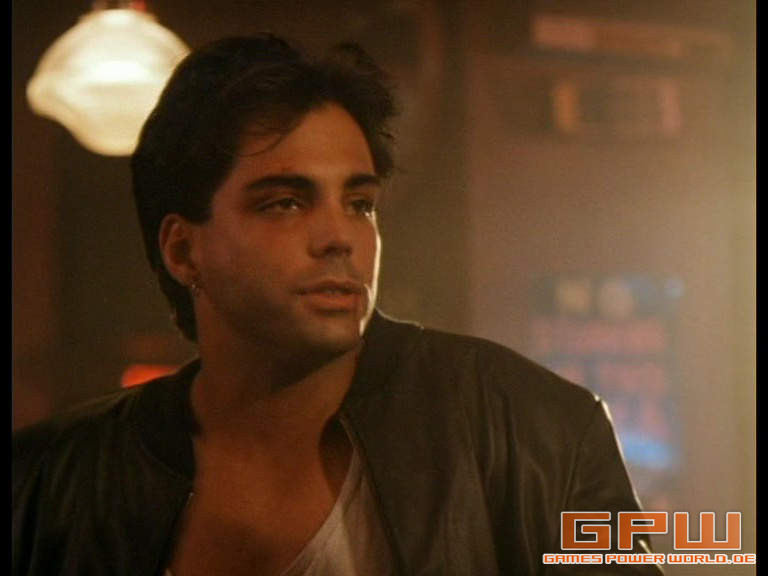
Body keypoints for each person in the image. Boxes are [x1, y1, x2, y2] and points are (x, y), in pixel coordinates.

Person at [12, 34, 663, 576]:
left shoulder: (534, 433)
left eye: (359, 203)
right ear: (184, 250)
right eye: (284, 202)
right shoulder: (48, 486)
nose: (339, 237)